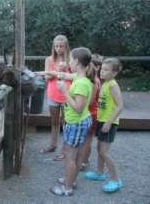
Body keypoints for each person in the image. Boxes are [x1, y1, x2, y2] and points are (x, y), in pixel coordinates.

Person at [49, 47, 93, 196]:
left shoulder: (81, 83)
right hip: (79, 122)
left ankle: (67, 188)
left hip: (76, 122)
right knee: (77, 154)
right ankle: (71, 180)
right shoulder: (80, 78)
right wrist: (50, 73)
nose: (68, 62)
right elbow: (64, 75)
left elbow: (78, 108)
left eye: (70, 59)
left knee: (70, 156)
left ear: (76, 61)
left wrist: (64, 92)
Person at [85, 58, 123, 193]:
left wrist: (108, 122)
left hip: (109, 123)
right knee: (99, 148)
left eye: (106, 70)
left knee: (104, 152)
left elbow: (120, 106)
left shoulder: (112, 85)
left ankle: (116, 180)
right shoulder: (105, 83)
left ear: (114, 73)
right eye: (102, 69)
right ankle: (100, 173)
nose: (102, 72)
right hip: (102, 121)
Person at [39, 35, 71, 161]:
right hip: (53, 94)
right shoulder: (49, 59)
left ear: (66, 46)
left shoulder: (71, 60)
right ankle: (52, 145)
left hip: (67, 94)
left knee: (67, 123)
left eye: (61, 46)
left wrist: (64, 70)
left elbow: (75, 76)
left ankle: (65, 149)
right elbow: (46, 77)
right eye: (56, 46)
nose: (58, 48)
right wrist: (58, 70)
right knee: (54, 121)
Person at [79, 54, 103, 171]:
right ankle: (84, 160)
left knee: (87, 140)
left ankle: (83, 161)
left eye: (89, 65)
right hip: (90, 113)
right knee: (86, 139)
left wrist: (77, 101)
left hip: (91, 113)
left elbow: (91, 101)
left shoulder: (94, 81)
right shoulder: (91, 80)